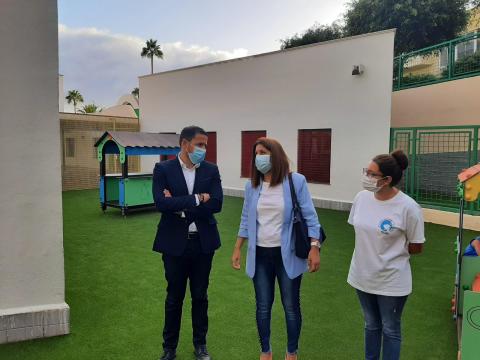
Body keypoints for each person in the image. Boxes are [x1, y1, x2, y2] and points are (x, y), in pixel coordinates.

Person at [231, 137, 323, 360]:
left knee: (291, 307)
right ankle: (266, 352)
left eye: (263, 152)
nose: (258, 157)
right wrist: (237, 247)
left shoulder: (295, 181)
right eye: (256, 153)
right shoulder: (252, 185)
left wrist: (314, 247)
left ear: (276, 154)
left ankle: (291, 352)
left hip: (287, 255)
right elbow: (246, 218)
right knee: (263, 306)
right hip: (260, 255)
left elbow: (311, 217)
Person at [152, 126, 223, 360]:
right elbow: (161, 203)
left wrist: (181, 209)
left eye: (205, 145)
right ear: (184, 144)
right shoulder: (163, 169)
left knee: (200, 296)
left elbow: (217, 204)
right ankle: (169, 347)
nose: (203, 149)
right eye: (200, 144)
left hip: (203, 244)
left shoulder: (211, 170)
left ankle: (200, 344)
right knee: (174, 297)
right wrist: (197, 199)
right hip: (174, 245)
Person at [347, 150, 425, 360]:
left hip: (392, 281)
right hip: (362, 276)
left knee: (390, 329)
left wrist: (390, 254)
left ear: (387, 179)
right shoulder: (361, 198)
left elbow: (417, 245)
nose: (367, 177)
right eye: (366, 171)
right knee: (371, 324)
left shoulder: (409, 207)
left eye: (372, 174)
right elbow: (361, 231)